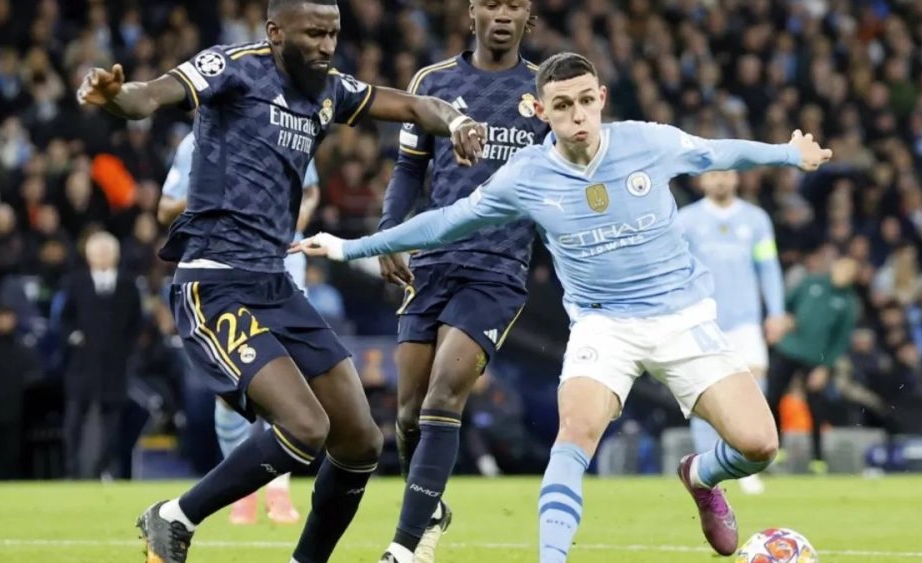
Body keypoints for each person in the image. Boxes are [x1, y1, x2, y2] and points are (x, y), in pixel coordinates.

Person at [291, 52, 833, 559]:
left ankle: (700, 476)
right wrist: (348, 246)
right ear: (540, 111)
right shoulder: (528, 176)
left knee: (760, 446)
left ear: (601, 98)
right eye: (562, 105)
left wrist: (790, 154)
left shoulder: (647, 142)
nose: (578, 115)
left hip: (681, 316)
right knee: (573, 436)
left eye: (585, 101)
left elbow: (718, 152)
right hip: (603, 326)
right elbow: (444, 220)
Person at [76, 0, 487, 561]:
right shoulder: (235, 67)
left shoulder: (331, 90)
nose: (326, 45)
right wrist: (116, 96)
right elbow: (148, 96)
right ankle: (174, 516)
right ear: (274, 32)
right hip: (213, 282)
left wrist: (459, 120)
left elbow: (415, 105)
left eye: (334, 33)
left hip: (275, 284)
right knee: (304, 427)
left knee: (361, 441)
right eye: (314, 33)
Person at [373, 1, 546, 561]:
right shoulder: (434, 82)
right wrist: (389, 231)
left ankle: (403, 548)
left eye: (514, 5)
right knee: (406, 413)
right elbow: (408, 169)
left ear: (529, 18)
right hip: (432, 262)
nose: (502, 15)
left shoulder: (545, 91)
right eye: (491, 4)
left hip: (497, 270)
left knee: (445, 394)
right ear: (471, 13)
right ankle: (429, 510)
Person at [158, 130, 322, 524]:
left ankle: (278, 492)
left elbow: (311, 188)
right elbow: (165, 210)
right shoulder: (195, 144)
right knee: (234, 391)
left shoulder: (285, 125)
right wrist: (213, 195)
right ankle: (241, 488)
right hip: (225, 269)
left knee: (288, 380)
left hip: (283, 265)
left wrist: (302, 212)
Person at [678, 170, 789, 495]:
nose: (721, 180)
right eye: (713, 175)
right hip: (703, 319)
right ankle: (707, 467)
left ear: (737, 178)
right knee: (704, 393)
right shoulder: (687, 219)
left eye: (726, 173)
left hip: (745, 319)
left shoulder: (756, 220)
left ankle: (743, 463)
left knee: (754, 389)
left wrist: (777, 312)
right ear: (701, 181)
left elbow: (768, 267)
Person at [60, 231, 143, 480]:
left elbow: (136, 322)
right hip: (82, 364)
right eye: (98, 252)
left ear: (116, 255)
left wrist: (126, 350)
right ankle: (71, 471)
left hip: (115, 365)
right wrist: (74, 338)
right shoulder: (76, 282)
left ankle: (105, 470)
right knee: (74, 417)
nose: (103, 257)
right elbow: (65, 318)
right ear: (88, 255)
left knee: (113, 420)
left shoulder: (128, 284)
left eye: (108, 252)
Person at [765, 256, 860, 474]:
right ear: (835, 265)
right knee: (772, 397)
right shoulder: (811, 283)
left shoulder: (848, 302)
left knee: (816, 406)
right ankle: (775, 450)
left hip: (815, 358)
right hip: (789, 348)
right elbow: (785, 305)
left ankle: (817, 458)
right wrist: (784, 320)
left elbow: (841, 340)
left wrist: (825, 366)